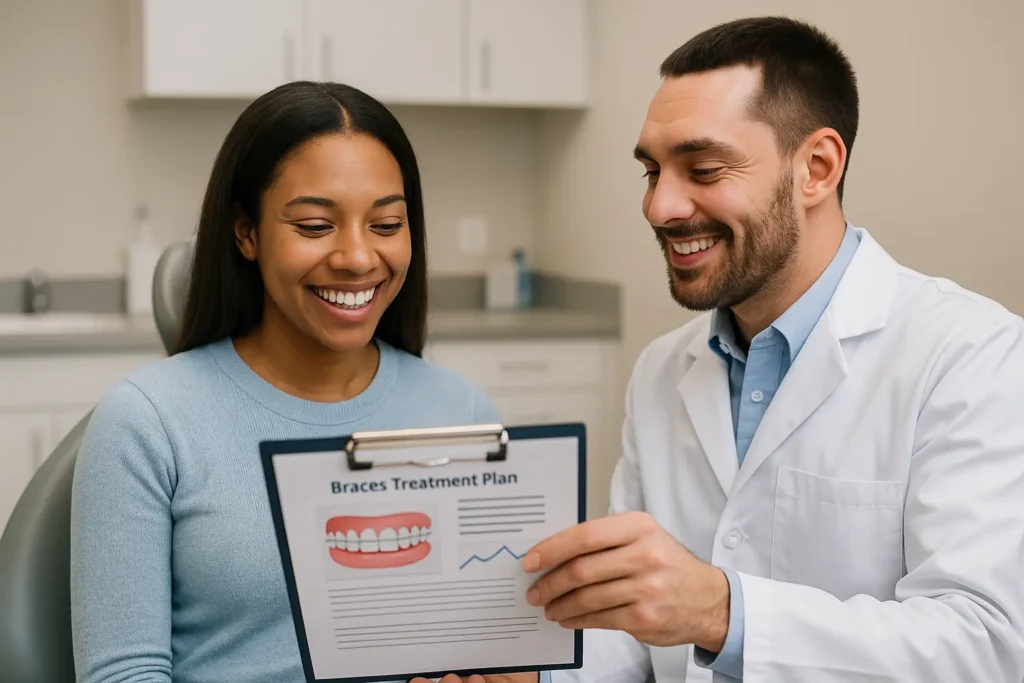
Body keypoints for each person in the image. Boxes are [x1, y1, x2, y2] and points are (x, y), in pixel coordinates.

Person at [416, 15, 1024, 683]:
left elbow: (987, 644)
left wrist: (722, 612)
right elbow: (636, 626)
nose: (659, 206)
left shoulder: (973, 357)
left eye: (702, 168)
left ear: (816, 168)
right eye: (652, 170)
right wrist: (539, 676)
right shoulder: (660, 368)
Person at [69, 81, 501, 683]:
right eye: (316, 225)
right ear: (246, 233)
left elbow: (499, 645)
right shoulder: (146, 421)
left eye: (387, 223)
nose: (356, 257)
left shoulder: (462, 408)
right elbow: (123, 674)